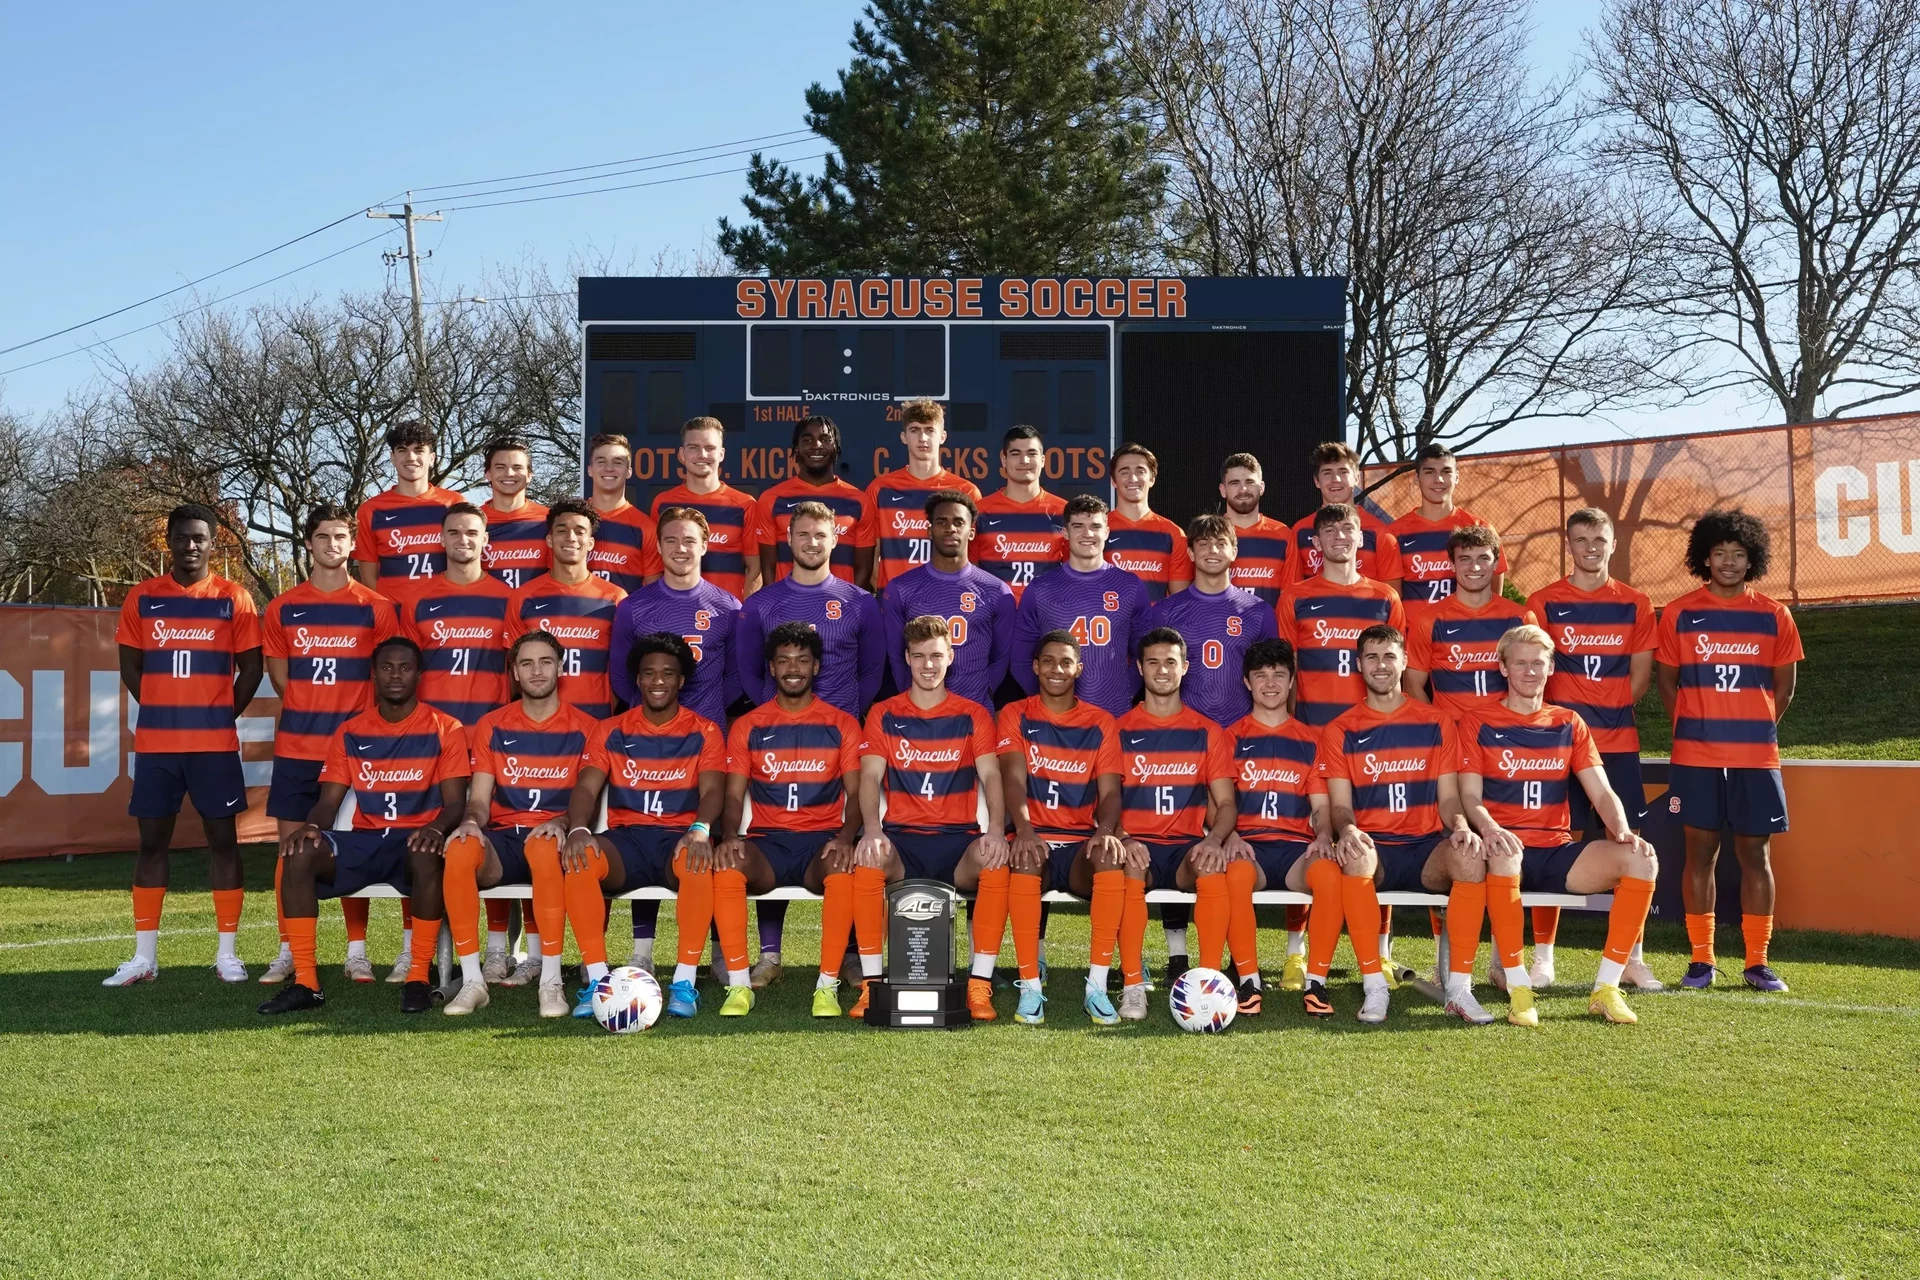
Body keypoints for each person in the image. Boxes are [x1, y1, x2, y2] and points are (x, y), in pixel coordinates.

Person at [1458, 624, 1661, 1025]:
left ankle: (1606, 988)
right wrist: (1492, 829)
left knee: (1641, 861)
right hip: (1504, 850)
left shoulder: (1569, 722)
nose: (1530, 671)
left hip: (1555, 852)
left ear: (1551, 667)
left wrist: (1620, 829)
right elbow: (1469, 797)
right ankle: (1519, 989)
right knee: (1504, 857)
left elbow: (1601, 792)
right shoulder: (1477, 721)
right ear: (1503, 668)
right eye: (1520, 663)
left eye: (1538, 663)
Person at [258, 637, 470, 1016]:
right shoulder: (351, 731)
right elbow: (328, 802)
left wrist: (436, 828)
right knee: (298, 851)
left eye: (405, 668)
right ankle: (306, 982)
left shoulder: (446, 728)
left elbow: (455, 803)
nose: (396, 675)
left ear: (419, 675)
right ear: (374, 674)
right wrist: (311, 827)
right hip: (366, 840)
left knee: (426, 854)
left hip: (413, 841)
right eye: (387, 667)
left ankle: (418, 976)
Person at [105, 503, 264, 988]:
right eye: (182, 538)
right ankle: (144, 957)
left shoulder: (234, 598)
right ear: (168, 542)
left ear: (214, 544)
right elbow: (131, 668)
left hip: (213, 746)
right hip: (157, 745)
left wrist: (216, 714)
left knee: (223, 841)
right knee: (152, 843)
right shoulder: (143, 598)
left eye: (199, 538)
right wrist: (161, 707)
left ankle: (228, 954)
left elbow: (252, 670)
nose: (190, 546)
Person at [1313, 625, 1490, 1025]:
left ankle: (1460, 990)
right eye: (1372, 657)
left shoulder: (1436, 721)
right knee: (1356, 856)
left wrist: (1461, 825)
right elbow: (1340, 807)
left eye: (1389, 656)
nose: (1381, 665)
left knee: (1469, 857)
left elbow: (1448, 798)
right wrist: (1350, 831)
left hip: (1426, 846)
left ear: (1404, 662)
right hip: (1376, 848)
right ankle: (1375, 985)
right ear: (1359, 665)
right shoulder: (1341, 729)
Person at [1657, 509, 1802, 994]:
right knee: (1699, 855)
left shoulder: (1774, 614)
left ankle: (1757, 963)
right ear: (1705, 557)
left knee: (1755, 855)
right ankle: (1701, 961)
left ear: (1751, 559)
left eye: (1739, 554)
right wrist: (1696, 727)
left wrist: (1752, 728)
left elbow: (1784, 689)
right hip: (1695, 757)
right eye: (1719, 553)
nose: (1728, 562)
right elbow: (1666, 680)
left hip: (1755, 758)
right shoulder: (1678, 612)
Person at [559, 635, 734, 1018]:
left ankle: (684, 984)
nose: (658, 681)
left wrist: (701, 828)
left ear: (681, 681)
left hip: (678, 839)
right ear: (637, 680)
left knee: (698, 860)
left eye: (668, 674)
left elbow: (713, 791)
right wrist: (577, 830)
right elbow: (586, 787)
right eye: (649, 673)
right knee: (581, 857)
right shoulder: (610, 729)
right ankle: (598, 980)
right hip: (627, 841)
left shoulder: (704, 731)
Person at [259, 504, 396, 986]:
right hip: (299, 747)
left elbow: (384, 681)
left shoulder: (376, 608)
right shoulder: (282, 608)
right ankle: (289, 952)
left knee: (352, 849)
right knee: (290, 850)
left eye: (341, 537)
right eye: (323, 537)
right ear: (309, 544)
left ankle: (356, 952)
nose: (332, 545)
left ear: (352, 544)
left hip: (358, 753)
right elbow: (281, 679)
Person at [1525, 507, 1661, 990]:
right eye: (1580, 539)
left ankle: (1631, 959)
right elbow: (1535, 673)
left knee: (1630, 845)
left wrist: (1604, 713)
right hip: (1556, 750)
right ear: (1570, 544)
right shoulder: (1543, 602)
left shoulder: (1636, 603)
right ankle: (1543, 958)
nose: (1590, 547)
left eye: (1598, 539)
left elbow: (1640, 677)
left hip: (1618, 745)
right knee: (1551, 845)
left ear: (1612, 544)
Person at [853, 615, 1009, 1021]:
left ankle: (979, 985)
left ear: (950, 657)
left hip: (957, 842)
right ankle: (871, 987)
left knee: (995, 863)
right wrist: (871, 830)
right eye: (919, 656)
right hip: (903, 841)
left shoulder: (973, 715)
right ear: (906, 658)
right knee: (868, 862)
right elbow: (869, 777)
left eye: (936, 656)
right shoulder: (883, 713)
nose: (928, 665)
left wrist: (995, 830)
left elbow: (992, 775)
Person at [438, 631, 599, 1017]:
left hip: (551, 837)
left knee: (544, 847)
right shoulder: (493, 725)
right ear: (514, 672)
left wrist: (562, 821)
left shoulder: (587, 727)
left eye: (545, 661)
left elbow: (588, 798)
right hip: (504, 838)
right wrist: (472, 823)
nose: (537, 671)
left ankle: (552, 981)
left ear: (561, 667)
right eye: (526, 663)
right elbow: (478, 799)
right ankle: (474, 981)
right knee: (459, 850)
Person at [715, 622, 866, 1007]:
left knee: (843, 866)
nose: (793, 668)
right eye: (783, 661)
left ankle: (827, 986)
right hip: (768, 844)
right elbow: (732, 796)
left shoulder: (842, 723)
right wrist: (731, 834)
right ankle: (738, 984)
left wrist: (847, 837)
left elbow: (856, 793)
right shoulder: (748, 725)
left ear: (816, 666)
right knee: (728, 864)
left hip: (821, 843)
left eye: (802, 660)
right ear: (772, 668)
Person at [399, 502, 519, 981]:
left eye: (473, 532)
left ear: (486, 540)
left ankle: (496, 949)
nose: (464, 540)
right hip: (436, 741)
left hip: (491, 737)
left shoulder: (508, 599)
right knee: (428, 837)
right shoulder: (417, 600)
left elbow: (516, 674)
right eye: (454, 532)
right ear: (442, 540)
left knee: (490, 836)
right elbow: (406, 674)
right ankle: (418, 949)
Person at [995, 630, 1127, 1025]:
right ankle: (1030, 986)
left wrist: (1105, 830)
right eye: (1048, 661)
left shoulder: (1101, 722)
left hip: (1077, 844)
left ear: (1079, 669)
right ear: (1035, 666)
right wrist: (1025, 828)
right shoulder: (1015, 713)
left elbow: (1111, 793)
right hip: (1036, 834)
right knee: (1024, 858)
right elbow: (1014, 780)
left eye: (1066, 662)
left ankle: (1097, 987)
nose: (1057, 669)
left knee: (1109, 855)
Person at [1110, 628, 1240, 1021]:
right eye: (1153, 662)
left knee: (1213, 865)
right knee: (1128, 864)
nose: (1162, 670)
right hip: (1139, 845)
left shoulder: (1207, 731)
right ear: (1139, 668)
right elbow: (1104, 801)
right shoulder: (1118, 730)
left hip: (1186, 846)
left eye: (1170, 662)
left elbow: (1227, 803)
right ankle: (1133, 985)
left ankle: (1210, 982)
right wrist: (1123, 837)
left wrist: (1215, 839)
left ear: (1185, 668)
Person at [1226, 639, 1332, 1011]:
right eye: (1261, 676)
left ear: (1291, 682)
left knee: (1330, 875)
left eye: (1278, 675)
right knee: (1235, 877)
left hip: (1295, 849)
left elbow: (1321, 805)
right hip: (1248, 846)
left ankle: (1316, 983)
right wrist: (1232, 835)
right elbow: (1217, 804)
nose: (1270, 683)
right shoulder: (1230, 738)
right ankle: (1249, 982)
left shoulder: (1311, 740)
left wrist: (1322, 835)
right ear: (1247, 682)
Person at [736, 501, 885, 721]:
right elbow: (749, 675)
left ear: (834, 540)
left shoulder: (861, 602)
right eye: (803, 534)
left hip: (839, 732)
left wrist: (844, 716)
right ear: (789, 538)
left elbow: (871, 674)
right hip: (778, 729)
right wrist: (779, 712)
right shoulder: (760, 604)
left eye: (821, 535)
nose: (812, 543)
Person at [1011, 494, 1155, 716]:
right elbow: (1021, 659)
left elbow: (1144, 655)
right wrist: (1046, 697)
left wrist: (1124, 694)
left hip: (1113, 713)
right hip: (1054, 716)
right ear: (1065, 532)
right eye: (1078, 526)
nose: (1088, 534)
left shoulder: (1130, 586)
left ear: (1106, 532)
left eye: (1095, 526)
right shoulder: (1041, 589)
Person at [880, 490, 1015, 710]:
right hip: (919, 710)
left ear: (971, 532)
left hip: (974, 711)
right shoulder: (901, 588)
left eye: (958, 522)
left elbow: (1001, 657)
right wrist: (911, 695)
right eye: (942, 521)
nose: (950, 528)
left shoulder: (996, 591)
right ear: (930, 530)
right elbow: (896, 655)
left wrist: (982, 692)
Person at [609, 507, 742, 728]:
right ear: (659, 546)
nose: (680, 548)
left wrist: (706, 708)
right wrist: (654, 707)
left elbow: (736, 678)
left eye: (689, 540)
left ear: (704, 546)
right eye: (671, 541)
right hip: (648, 732)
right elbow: (621, 678)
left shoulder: (728, 607)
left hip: (706, 732)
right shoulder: (632, 607)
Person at [1147, 514, 1278, 729]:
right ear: (1190, 552)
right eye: (1204, 543)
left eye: (1221, 543)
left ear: (1234, 552)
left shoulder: (1258, 611)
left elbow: (1273, 677)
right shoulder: (1165, 612)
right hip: (1184, 731)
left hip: (1242, 730)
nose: (1213, 551)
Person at [506, 500, 626, 721]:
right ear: (549, 540)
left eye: (579, 531)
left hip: (595, 724)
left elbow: (620, 670)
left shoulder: (615, 598)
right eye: (562, 531)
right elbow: (513, 671)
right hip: (538, 725)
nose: (571, 537)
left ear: (590, 542)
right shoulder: (523, 597)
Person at [1404, 523, 1534, 721]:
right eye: (1465, 559)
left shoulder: (1521, 619)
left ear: (1496, 563)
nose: (1474, 567)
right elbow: (1412, 685)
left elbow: (1535, 682)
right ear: (1452, 564)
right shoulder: (1427, 620)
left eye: (1483, 558)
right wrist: (1440, 728)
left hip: (1505, 736)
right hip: (1453, 736)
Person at [866, 399, 982, 591]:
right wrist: (894, 596)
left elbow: (973, 559)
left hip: (946, 600)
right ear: (903, 437)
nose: (923, 438)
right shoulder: (880, 489)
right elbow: (871, 556)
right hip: (895, 604)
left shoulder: (966, 492)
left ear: (943, 436)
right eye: (915, 430)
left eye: (929, 430)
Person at [746, 415, 876, 587]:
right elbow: (768, 567)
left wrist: (851, 606)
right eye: (807, 440)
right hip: (788, 607)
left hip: (840, 608)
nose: (816, 446)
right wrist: (775, 606)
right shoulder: (772, 499)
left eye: (825, 439)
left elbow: (863, 569)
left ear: (836, 447)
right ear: (796, 448)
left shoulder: (860, 501)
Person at [1387, 443, 1506, 623]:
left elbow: (1493, 590)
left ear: (1457, 477)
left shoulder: (1480, 529)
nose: (1439, 479)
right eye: (1429, 472)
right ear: (1416, 478)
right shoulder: (1394, 533)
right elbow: (1393, 597)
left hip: (1464, 637)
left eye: (1446, 472)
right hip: (1414, 639)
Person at [354, 420, 462, 612]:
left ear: (432, 458)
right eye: (402, 450)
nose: (411, 457)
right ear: (393, 457)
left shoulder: (454, 504)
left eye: (419, 450)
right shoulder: (370, 510)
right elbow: (369, 578)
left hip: (445, 615)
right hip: (395, 620)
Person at [650, 416, 760, 600]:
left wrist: (744, 614)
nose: (702, 455)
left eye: (710, 448)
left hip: (727, 617)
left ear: (721, 454)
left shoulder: (745, 505)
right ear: (682, 454)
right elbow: (654, 566)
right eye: (693, 448)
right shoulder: (663, 503)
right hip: (676, 613)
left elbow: (754, 568)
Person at [1286, 442, 1402, 591]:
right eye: (1327, 472)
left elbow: (1392, 597)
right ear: (1316, 481)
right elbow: (1292, 591)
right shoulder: (1300, 531)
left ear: (1356, 478)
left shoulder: (1380, 533)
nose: (1336, 479)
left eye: (1343, 472)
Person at [974, 425, 1066, 603]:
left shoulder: (1064, 512)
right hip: (996, 620)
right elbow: (969, 573)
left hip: (1046, 620)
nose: (1024, 460)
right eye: (1015, 454)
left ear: (1043, 460)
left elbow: (1073, 573)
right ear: (1003, 459)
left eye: (1031, 453)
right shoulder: (980, 512)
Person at [1104, 442, 1191, 600]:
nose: (1133, 478)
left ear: (1152, 479)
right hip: (1109, 624)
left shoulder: (1173, 533)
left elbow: (1179, 602)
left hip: (1155, 624)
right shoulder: (1098, 529)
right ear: (1113, 481)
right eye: (1124, 472)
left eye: (1140, 471)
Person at [584, 432, 664, 594]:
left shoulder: (646, 528)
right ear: (590, 470)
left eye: (617, 462)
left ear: (629, 471)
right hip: (577, 618)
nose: (609, 468)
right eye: (601, 461)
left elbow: (651, 595)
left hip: (625, 618)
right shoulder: (572, 522)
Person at [1218, 453, 1293, 607]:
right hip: (1218, 629)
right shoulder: (1208, 534)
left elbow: (1290, 598)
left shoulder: (1283, 535)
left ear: (1262, 487)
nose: (1243, 489)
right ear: (1223, 490)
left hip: (1268, 630)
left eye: (1250, 482)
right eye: (1234, 483)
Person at [478, 436, 549, 590]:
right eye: (500, 467)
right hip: (487, 611)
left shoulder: (549, 520)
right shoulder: (474, 521)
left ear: (529, 475)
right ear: (488, 474)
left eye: (517, 467)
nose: (509, 473)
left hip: (534, 611)